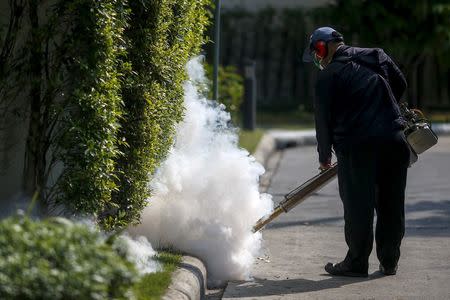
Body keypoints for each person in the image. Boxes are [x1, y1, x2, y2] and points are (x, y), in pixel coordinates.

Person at [302, 26, 410, 277]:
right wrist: (382, 106)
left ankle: (357, 262)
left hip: (356, 146)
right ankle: (390, 261)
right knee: (391, 203)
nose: (317, 59)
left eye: (316, 53)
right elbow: (400, 84)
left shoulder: (327, 77)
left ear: (322, 47)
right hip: (393, 140)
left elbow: (323, 121)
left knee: (358, 206)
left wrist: (324, 156)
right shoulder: (377, 56)